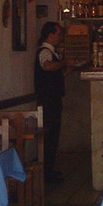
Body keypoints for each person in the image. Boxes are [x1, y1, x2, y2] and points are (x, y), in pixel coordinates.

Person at [35, 21, 68, 183]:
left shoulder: (51, 52)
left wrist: (68, 68)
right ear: (50, 35)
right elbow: (47, 66)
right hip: (48, 102)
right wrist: (63, 63)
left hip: (52, 100)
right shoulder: (45, 52)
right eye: (58, 34)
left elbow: (55, 75)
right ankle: (46, 173)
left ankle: (49, 170)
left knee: (53, 136)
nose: (60, 38)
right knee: (49, 137)